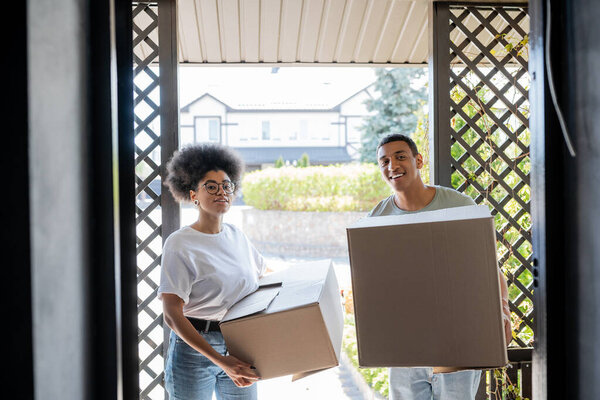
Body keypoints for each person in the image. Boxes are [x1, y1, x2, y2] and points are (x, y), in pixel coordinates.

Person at [369, 133, 512, 400]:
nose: (392, 166)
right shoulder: (377, 219)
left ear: (418, 160)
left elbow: (488, 267)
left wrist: (502, 308)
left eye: (400, 157)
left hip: (458, 337)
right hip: (405, 345)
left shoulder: (458, 205)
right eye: (384, 161)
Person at [158, 143, 268, 400]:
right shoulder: (179, 243)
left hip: (240, 344)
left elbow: (265, 274)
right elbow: (172, 315)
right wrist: (220, 360)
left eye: (227, 185)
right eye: (211, 186)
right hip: (193, 351)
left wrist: (312, 286)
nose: (221, 191)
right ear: (193, 194)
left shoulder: (237, 236)